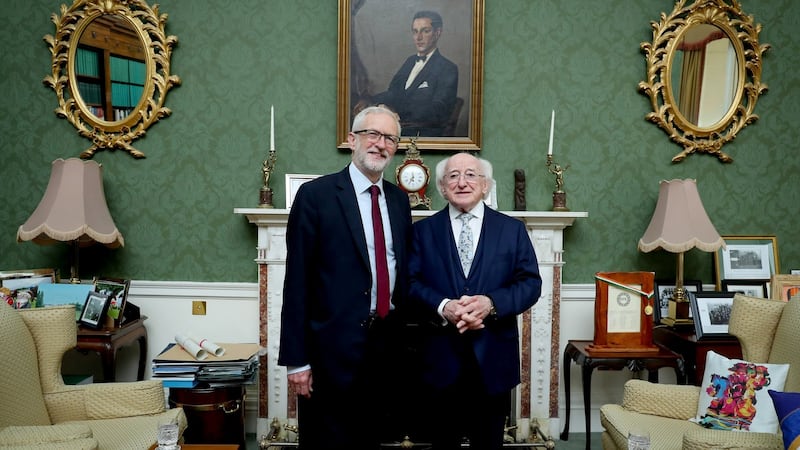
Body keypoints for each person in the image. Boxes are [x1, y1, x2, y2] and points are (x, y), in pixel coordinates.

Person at [277, 105, 413, 450]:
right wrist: (297, 360)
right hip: (328, 351)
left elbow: (402, 270)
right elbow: (297, 283)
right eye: (373, 134)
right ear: (352, 139)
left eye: (389, 138)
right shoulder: (316, 196)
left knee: (371, 439)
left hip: (383, 347)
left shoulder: (399, 201)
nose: (380, 144)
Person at [408, 153, 542, 449]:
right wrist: (445, 306)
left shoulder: (512, 230)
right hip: (439, 358)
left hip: (494, 358)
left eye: (471, 175)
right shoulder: (421, 232)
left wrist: (491, 303)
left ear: (486, 185)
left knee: (488, 442)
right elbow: (410, 283)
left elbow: (530, 284)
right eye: (453, 176)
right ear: (442, 188)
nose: (462, 182)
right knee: (442, 442)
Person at [371, 10, 459, 137]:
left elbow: (438, 110)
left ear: (437, 33)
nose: (418, 37)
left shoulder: (448, 68)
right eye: (415, 31)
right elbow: (393, 93)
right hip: (398, 128)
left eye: (425, 31)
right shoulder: (410, 61)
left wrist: (396, 112)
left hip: (423, 134)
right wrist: (370, 102)